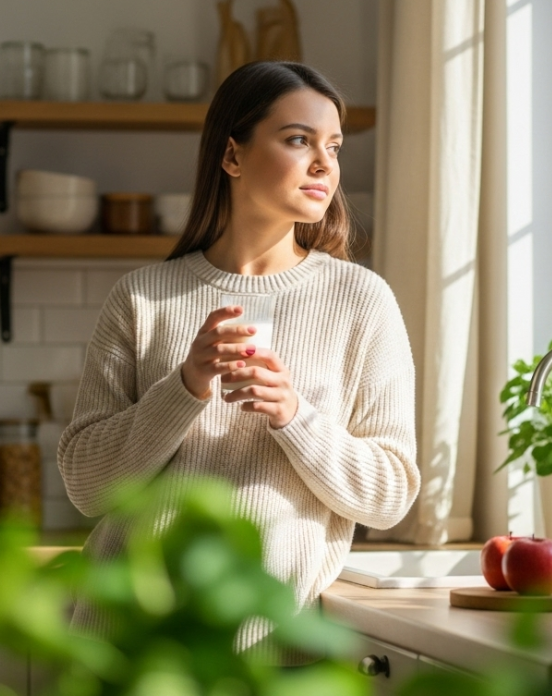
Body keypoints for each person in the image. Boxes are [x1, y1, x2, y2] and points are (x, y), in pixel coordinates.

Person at [57, 61, 419, 657]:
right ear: (232, 156)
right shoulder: (143, 298)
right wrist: (184, 386)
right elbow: (88, 488)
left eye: (333, 146)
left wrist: (294, 416)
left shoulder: (361, 300)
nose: (325, 164)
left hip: (262, 649)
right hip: (123, 641)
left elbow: (389, 493)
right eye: (299, 140)